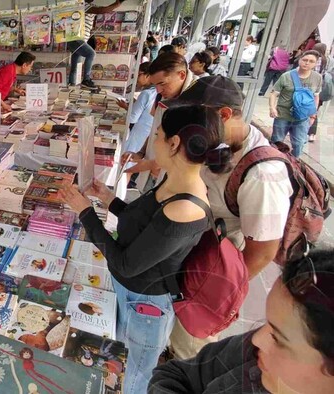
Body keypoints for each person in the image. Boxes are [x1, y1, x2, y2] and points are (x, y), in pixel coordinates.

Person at [61, 105, 225, 394]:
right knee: (116, 355)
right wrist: (109, 199)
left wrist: (85, 212)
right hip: (131, 293)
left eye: (158, 135)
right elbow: (145, 225)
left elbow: (127, 264)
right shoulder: (173, 180)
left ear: (174, 143)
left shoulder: (186, 206)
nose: (154, 141)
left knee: (133, 376)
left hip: (145, 305)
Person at [165, 76, 292, 360]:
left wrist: (213, 296)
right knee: (173, 335)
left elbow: (262, 253)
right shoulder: (217, 141)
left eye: (193, 119)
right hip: (188, 257)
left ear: (223, 115)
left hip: (209, 274)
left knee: (189, 350)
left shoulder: (264, 174)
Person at [150, 248, 334, 393]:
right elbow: (175, 375)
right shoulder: (255, 353)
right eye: (267, 324)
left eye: (279, 339)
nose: (256, 339)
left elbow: (263, 250)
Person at [124, 52, 196, 192]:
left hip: (175, 183)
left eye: (162, 83)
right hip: (153, 174)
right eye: (155, 84)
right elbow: (155, 130)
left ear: (181, 75)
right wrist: (141, 153)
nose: (158, 90)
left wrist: (152, 164)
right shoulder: (162, 96)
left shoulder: (197, 103)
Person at [270, 50, 323, 157]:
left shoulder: (317, 77)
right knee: (276, 142)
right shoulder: (286, 76)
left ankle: (295, 164)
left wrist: (313, 115)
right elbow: (274, 93)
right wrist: (272, 108)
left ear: (315, 64)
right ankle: (273, 160)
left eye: (311, 61)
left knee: (298, 144)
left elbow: (316, 96)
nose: (307, 63)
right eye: (305, 60)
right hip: (282, 115)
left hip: (302, 118)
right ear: (300, 60)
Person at [67, 0, 124, 87]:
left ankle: (72, 85)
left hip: (80, 39)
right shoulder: (81, 4)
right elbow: (101, 10)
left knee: (76, 66)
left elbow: (99, 11)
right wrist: (117, 4)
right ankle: (86, 79)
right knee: (91, 54)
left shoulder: (91, 5)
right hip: (75, 38)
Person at [119, 62, 156, 157]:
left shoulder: (146, 94)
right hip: (148, 135)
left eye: (139, 74)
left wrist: (126, 107)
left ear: (148, 76)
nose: (137, 78)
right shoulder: (155, 92)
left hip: (139, 135)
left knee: (128, 159)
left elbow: (132, 118)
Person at [308, 43, 331, 142]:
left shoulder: (316, 58)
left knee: (307, 109)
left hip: (312, 88)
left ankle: (308, 132)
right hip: (321, 88)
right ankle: (312, 134)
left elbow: (314, 73)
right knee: (314, 110)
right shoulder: (327, 60)